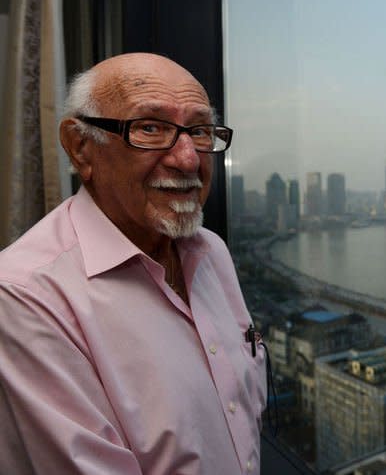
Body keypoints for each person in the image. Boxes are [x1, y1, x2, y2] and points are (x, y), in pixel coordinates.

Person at [0, 53, 266, 474]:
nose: (187, 159)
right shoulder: (24, 297)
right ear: (81, 147)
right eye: (150, 128)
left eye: (198, 131)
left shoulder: (211, 251)